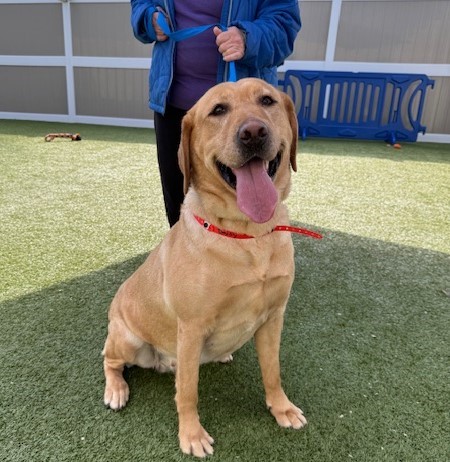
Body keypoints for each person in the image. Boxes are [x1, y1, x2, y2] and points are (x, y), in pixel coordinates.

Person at [130, 0, 301, 227]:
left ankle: (256, 250)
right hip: (173, 108)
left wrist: (247, 38)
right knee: (178, 205)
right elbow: (140, 5)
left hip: (249, 111)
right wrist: (148, 19)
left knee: (255, 194)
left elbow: (284, 24)